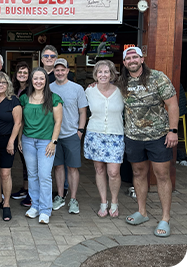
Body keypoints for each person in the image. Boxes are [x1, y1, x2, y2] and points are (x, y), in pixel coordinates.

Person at [117, 47, 178, 237]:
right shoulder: (122, 81)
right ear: (125, 63)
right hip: (133, 136)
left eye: (135, 57)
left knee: (162, 174)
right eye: (129, 58)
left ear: (142, 59)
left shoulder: (158, 78)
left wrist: (173, 131)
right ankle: (142, 211)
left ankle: (165, 218)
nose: (132, 60)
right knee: (138, 172)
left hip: (159, 136)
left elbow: (172, 105)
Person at [19, 67, 63, 224]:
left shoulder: (54, 98)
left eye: (41, 78)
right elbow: (21, 121)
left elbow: (58, 122)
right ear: (31, 80)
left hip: (46, 142)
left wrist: (53, 142)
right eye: (35, 78)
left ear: (46, 80)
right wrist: (19, 139)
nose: (38, 81)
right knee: (32, 175)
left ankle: (45, 209)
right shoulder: (25, 98)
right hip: (28, 140)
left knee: (44, 175)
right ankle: (35, 206)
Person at [84, 60, 124, 217]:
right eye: (100, 72)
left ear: (112, 74)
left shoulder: (121, 91)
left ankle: (114, 201)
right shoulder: (89, 91)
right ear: (95, 74)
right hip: (95, 134)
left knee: (113, 172)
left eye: (106, 72)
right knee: (99, 169)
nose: (103, 75)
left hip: (116, 135)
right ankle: (103, 202)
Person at [50, 59, 88, 215]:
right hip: (53, 135)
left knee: (73, 168)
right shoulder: (48, 87)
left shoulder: (77, 88)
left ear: (67, 71)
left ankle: (73, 198)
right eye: (57, 70)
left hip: (72, 133)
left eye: (62, 69)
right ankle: (60, 196)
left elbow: (83, 112)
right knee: (58, 167)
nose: (60, 72)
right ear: (53, 71)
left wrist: (80, 131)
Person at [0, 71, 22, 221]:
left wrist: (11, 142)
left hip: (7, 141)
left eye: (3, 82)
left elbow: (18, 123)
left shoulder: (13, 100)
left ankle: (6, 204)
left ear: (8, 85)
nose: (0, 85)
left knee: (5, 173)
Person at [11, 61, 32, 207]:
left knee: (31, 163)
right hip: (18, 128)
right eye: (20, 73)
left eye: (25, 73)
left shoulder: (32, 89)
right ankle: (25, 188)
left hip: (29, 129)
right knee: (25, 162)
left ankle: (32, 194)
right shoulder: (15, 88)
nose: (22, 75)